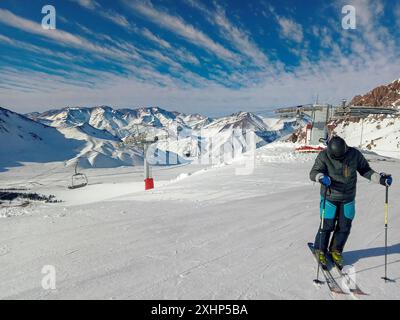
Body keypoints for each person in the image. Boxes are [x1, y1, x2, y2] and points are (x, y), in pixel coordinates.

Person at [310, 136, 392, 269]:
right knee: (327, 225)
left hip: (348, 197)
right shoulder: (324, 155)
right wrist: (320, 177)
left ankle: (336, 251)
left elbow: (365, 169)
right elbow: (314, 172)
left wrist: (380, 179)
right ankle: (320, 249)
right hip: (330, 196)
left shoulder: (354, 154)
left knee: (344, 227)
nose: (340, 158)